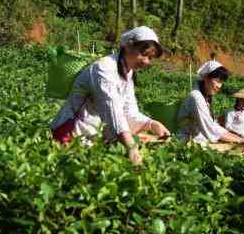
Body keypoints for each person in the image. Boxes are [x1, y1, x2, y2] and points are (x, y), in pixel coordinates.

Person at [49, 26, 171, 165]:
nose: (146, 61)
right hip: (71, 136)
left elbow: (129, 111)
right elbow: (112, 110)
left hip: (93, 138)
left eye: (150, 58)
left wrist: (152, 124)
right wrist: (131, 147)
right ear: (128, 46)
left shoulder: (127, 73)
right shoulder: (103, 69)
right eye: (143, 54)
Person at [176, 60, 244, 145]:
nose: (219, 86)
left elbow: (213, 125)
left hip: (199, 138)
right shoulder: (196, 97)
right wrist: (240, 140)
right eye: (217, 80)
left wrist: (238, 137)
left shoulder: (206, 97)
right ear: (206, 77)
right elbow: (210, 128)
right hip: (186, 142)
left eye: (222, 82)